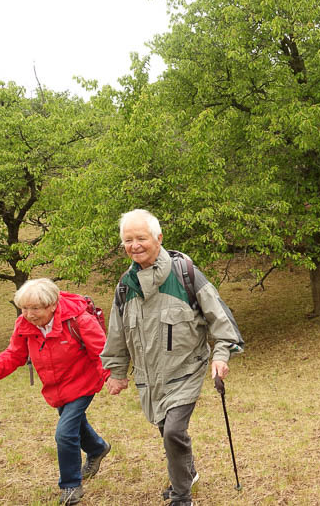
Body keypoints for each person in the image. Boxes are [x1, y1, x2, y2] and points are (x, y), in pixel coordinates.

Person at [101, 209, 244, 506]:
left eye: (141, 238)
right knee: (168, 430)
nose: (135, 245)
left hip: (186, 370)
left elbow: (222, 321)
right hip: (149, 380)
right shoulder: (125, 286)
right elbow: (116, 334)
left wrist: (220, 356)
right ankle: (187, 472)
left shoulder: (186, 275)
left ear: (158, 238)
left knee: (174, 431)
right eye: (128, 240)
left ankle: (181, 496)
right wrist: (116, 372)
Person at [0, 279, 110, 505]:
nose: (29, 314)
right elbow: (15, 354)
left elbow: (101, 351)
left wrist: (111, 377)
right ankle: (97, 448)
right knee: (74, 423)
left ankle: (70, 486)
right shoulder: (24, 325)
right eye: (24, 308)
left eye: (35, 308)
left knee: (65, 433)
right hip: (55, 386)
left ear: (52, 305)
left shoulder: (79, 320)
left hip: (83, 382)